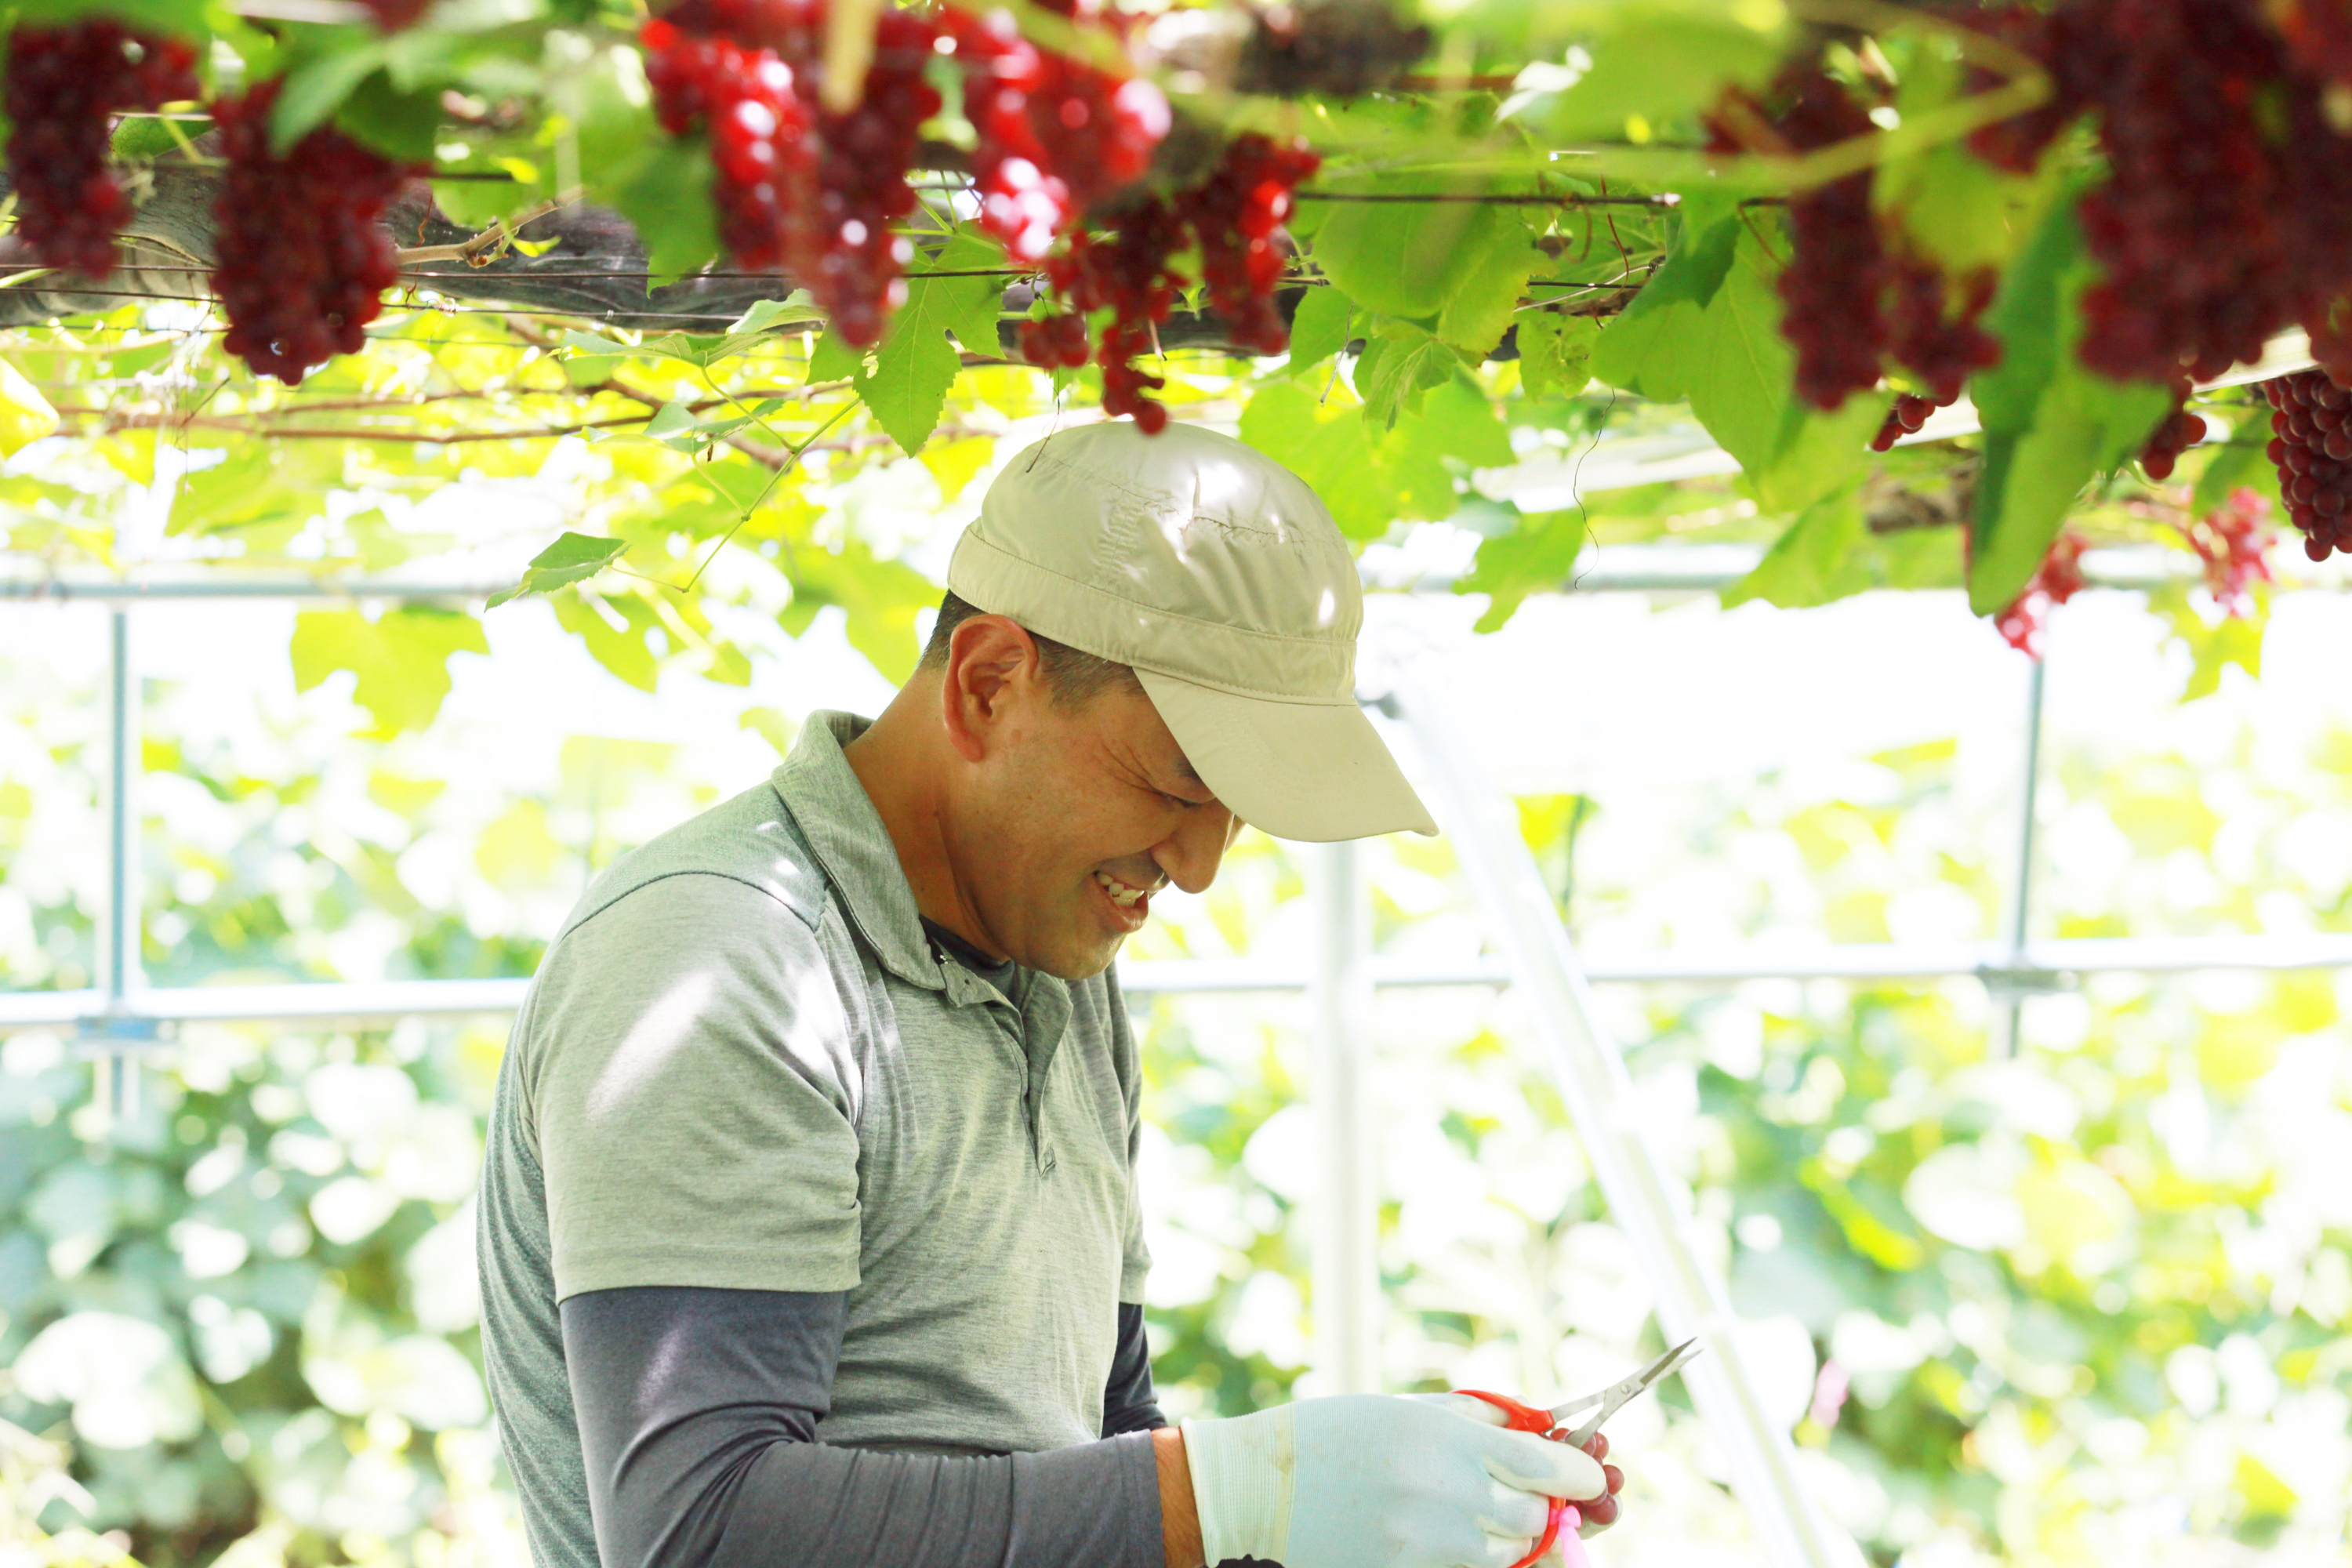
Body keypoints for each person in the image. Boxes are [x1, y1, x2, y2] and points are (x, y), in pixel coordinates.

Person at [475, 419, 1628, 1568]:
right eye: (1181, 780)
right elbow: (702, 1533)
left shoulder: (1061, 975)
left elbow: (1101, 1459)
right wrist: (1228, 1491)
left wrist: (1368, 1500)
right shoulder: (724, 956)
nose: (1200, 864)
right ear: (988, 686)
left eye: (1237, 809)